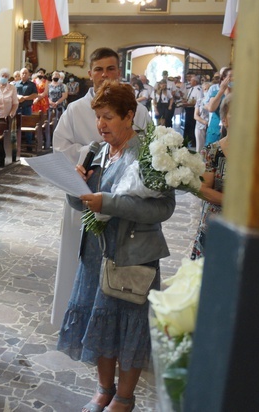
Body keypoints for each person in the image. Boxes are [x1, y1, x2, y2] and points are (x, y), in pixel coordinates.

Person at [57, 80, 175, 412]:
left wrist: (108, 202)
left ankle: (124, 397)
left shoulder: (149, 153)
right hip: (97, 252)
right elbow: (83, 204)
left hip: (133, 254)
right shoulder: (98, 151)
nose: (101, 125)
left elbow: (163, 208)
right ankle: (104, 389)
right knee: (102, 323)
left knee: (129, 328)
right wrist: (75, 185)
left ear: (129, 115)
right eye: (98, 117)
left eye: (108, 117)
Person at [51, 47, 153, 333]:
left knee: (118, 265)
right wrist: (92, 152)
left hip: (122, 201)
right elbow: (60, 148)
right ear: (90, 73)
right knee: (80, 260)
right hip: (83, 194)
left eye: (111, 69)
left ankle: (114, 328)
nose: (105, 75)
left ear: (118, 72)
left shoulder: (139, 111)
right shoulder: (76, 110)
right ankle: (78, 321)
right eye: (99, 69)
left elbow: (148, 151)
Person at [191, 93, 232, 260]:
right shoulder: (212, 151)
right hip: (215, 226)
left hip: (249, 226)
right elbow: (201, 189)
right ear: (225, 119)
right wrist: (236, 203)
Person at [205, 66, 232, 145]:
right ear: (224, 78)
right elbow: (211, 108)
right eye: (231, 76)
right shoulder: (216, 92)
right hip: (216, 130)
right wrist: (222, 90)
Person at [193, 82, 212, 153]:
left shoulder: (214, 101)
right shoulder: (199, 101)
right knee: (199, 148)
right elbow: (195, 115)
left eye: (209, 89)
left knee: (209, 148)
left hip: (211, 127)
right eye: (205, 89)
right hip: (200, 126)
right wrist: (205, 122)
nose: (207, 91)